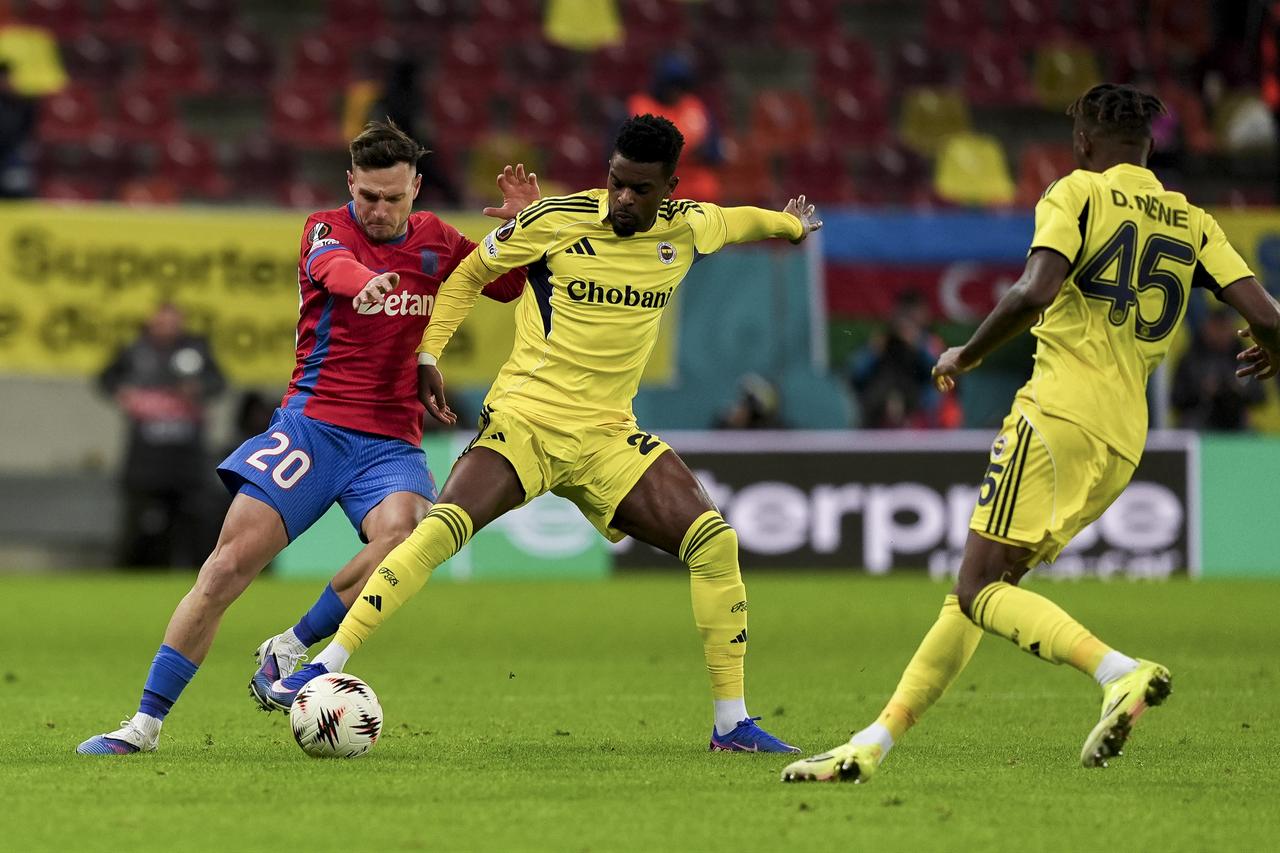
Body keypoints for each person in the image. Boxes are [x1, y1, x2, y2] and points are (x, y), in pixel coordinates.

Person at [255, 114, 823, 754]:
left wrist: (791, 225)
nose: (623, 198)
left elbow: (745, 221)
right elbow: (469, 275)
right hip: (524, 421)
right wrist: (428, 355)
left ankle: (731, 725)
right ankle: (322, 665)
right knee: (436, 533)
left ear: (669, 189)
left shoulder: (690, 227)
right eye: (616, 181)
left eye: (640, 189)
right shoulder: (553, 219)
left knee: (715, 543)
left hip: (607, 436)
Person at [782, 83, 1280, 783]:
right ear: (1146, 147)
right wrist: (1273, 349)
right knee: (987, 589)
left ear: (1083, 141)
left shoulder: (1077, 191)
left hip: (1057, 413)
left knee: (976, 585)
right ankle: (873, 742)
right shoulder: (1194, 222)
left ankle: (1118, 671)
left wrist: (966, 353)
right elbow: (1270, 317)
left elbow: (1035, 290)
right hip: (1123, 439)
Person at [76, 120, 539, 755]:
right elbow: (334, 268)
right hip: (312, 428)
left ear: (416, 189)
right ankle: (143, 726)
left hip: (390, 443)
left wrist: (524, 225)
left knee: (406, 541)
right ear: (350, 183)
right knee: (225, 570)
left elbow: (509, 284)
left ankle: (291, 647)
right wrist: (366, 282)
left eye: (393, 198)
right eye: (368, 196)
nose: (379, 210)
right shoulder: (325, 229)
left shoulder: (439, 239)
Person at [99, 303, 226, 569]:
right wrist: (124, 393)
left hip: (186, 455)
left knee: (193, 517)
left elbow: (218, 382)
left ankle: (197, 570)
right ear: (151, 323)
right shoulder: (134, 349)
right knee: (140, 517)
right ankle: (132, 568)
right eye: (162, 322)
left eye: (172, 322)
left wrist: (199, 389)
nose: (167, 328)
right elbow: (106, 379)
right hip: (146, 455)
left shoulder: (196, 349)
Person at [1171, 309, 1265, 430]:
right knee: (1189, 423)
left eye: (1225, 328)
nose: (1221, 334)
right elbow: (1176, 398)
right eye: (1217, 328)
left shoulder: (1244, 356)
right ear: (1206, 328)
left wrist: (1240, 390)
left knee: (1251, 428)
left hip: (1236, 419)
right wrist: (1202, 391)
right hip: (1200, 417)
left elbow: (1259, 395)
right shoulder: (1191, 358)